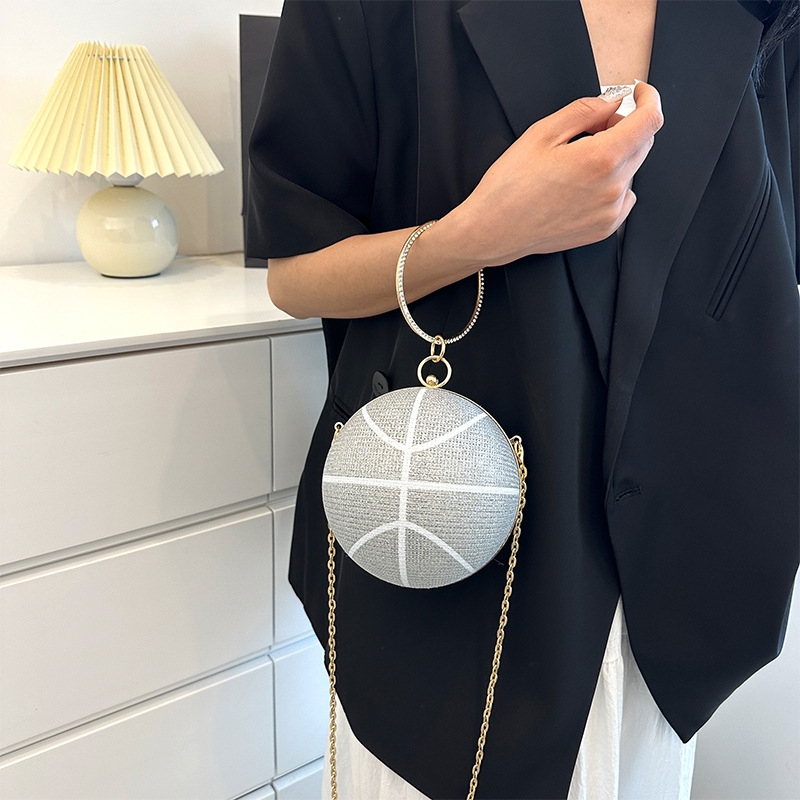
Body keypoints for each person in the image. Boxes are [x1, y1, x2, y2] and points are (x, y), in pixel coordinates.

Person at [247, 1, 800, 798]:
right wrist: (479, 233)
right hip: (451, 544)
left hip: (674, 571)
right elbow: (296, 274)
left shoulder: (767, 12)